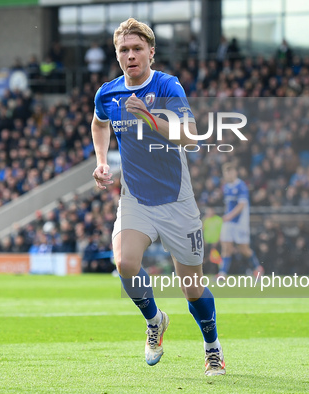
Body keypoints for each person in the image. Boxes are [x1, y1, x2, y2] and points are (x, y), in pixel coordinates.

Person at [91, 18, 225, 376]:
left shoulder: (167, 86)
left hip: (176, 200)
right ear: (117, 55)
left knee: (192, 288)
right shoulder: (107, 93)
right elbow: (99, 123)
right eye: (124, 50)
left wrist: (149, 117)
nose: (131, 55)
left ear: (151, 51)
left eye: (137, 49)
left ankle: (212, 349)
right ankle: (155, 320)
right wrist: (102, 162)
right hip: (135, 198)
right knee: (125, 263)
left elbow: (192, 138)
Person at [218, 162, 264, 278]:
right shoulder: (226, 187)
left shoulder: (241, 186)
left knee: (244, 249)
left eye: (230, 172)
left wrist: (229, 216)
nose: (228, 175)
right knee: (226, 247)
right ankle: (222, 273)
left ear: (235, 172)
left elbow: (241, 205)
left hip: (240, 223)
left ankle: (258, 268)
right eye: (226, 173)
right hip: (228, 222)